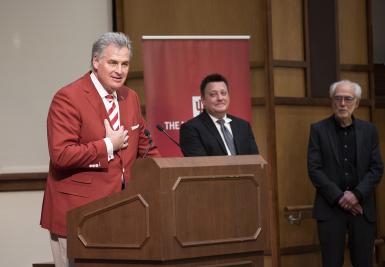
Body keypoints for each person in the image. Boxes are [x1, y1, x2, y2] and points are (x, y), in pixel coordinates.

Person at [40, 32, 160, 267]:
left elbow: (146, 147)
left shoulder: (130, 97)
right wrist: (108, 145)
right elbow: (61, 155)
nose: (120, 70)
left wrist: (165, 173)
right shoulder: (68, 97)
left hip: (123, 212)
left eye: (125, 64)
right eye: (112, 62)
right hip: (78, 215)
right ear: (96, 62)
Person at [307, 80, 383, 267]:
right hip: (330, 209)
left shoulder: (370, 130)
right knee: (332, 263)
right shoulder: (318, 130)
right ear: (331, 101)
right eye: (338, 98)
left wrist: (356, 195)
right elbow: (314, 169)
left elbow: (376, 168)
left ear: (356, 102)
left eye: (348, 99)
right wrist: (341, 198)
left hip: (362, 209)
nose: (342, 104)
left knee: (364, 262)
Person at [179, 73, 259, 156]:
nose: (220, 98)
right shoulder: (191, 129)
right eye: (213, 94)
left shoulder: (243, 126)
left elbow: (255, 161)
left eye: (223, 93)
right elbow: (199, 165)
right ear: (203, 100)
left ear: (229, 96)